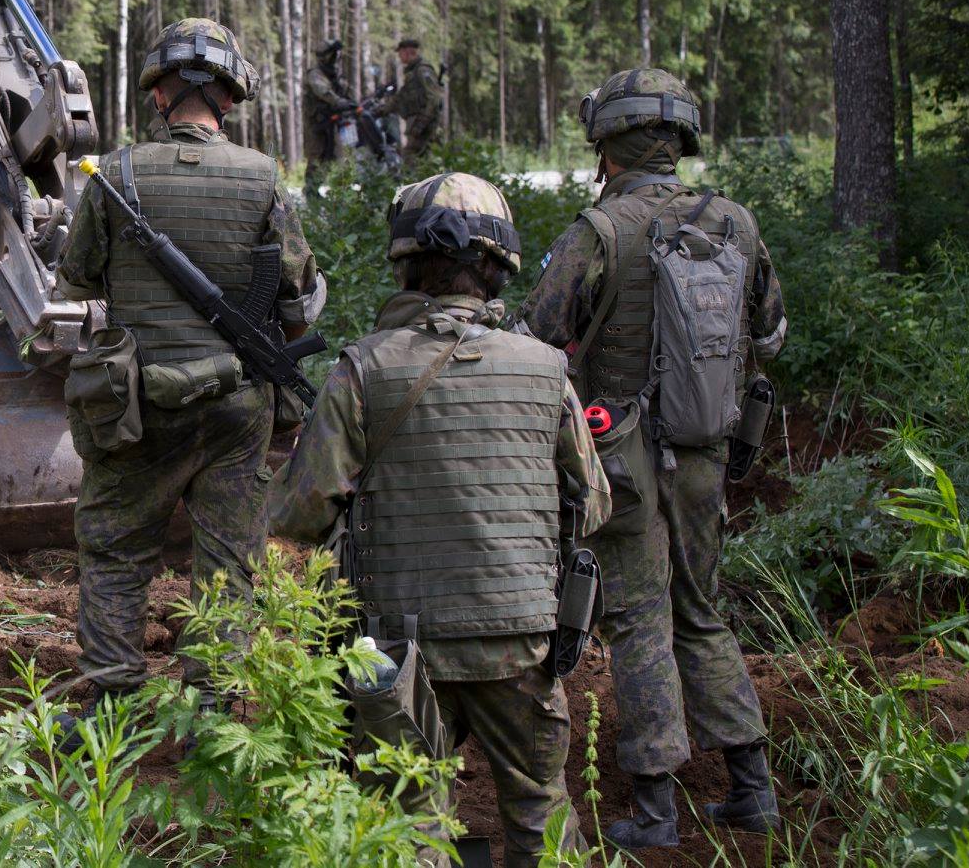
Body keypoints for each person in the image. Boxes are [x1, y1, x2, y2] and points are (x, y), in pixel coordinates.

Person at [272, 173, 611, 868]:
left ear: (404, 261)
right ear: (498, 266)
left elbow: (299, 512)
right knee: (540, 811)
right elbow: (594, 504)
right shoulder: (547, 371)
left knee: (404, 816)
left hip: (398, 647)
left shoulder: (363, 368)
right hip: (518, 642)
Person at [515, 67, 789, 849]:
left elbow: (536, 338)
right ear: (678, 140)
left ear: (607, 143)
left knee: (637, 622)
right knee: (701, 612)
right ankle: (750, 789)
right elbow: (770, 337)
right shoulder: (734, 223)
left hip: (621, 459)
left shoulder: (598, 231)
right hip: (705, 452)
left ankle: (656, 810)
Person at [56, 17, 326, 729]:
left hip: (140, 399)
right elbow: (296, 299)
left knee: (116, 548)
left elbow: (78, 277)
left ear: (157, 95)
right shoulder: (262, 176)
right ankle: (211, 707)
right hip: (237, 402)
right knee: (226, 556)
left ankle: (110, 705)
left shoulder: (115, 175)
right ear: (231, 99)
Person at [302, 38, 357, 163]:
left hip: (335, 123)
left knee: (339, 156)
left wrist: (351, 102)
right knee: (317, 157)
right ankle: (313, 183)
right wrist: (338, 101)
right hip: (318, 124)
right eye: (333, 55)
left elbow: (346, 92)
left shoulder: (334, 76)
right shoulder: (315, 74)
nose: (336, 58)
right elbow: (322, 91)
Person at [389, 39, 444, 159]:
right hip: (416, 125)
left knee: (411, 159)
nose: (399, 56)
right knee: (420, 160)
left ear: (408, 52)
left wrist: (422, 122)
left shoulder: (422, 70)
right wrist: (384, 109)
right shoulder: (412, 73)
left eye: (401, 53)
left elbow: (434, 98)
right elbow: (401, 97)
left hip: (424, 126)